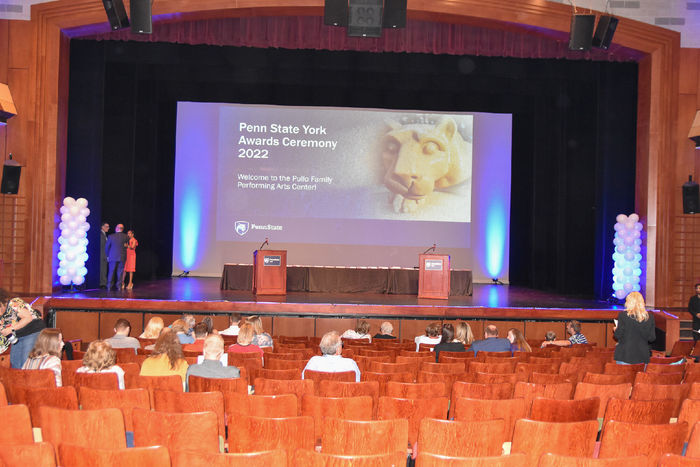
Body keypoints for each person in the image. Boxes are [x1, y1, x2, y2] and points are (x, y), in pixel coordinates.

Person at [0, 290, 46, 368]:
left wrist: (10, 329)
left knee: (25, 361)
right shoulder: (2, 317)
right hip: (18, 335)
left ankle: (27, 379)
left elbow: (28, 318)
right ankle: (19, 379)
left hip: (33, 331)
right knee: (15, 362)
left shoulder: (13, 303)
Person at [614, 291, 656, 364]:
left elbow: (618, 335)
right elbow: (651, 338)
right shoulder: (650, 317)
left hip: (625, 355)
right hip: (643, 356)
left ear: (628, 302)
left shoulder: (623, 315)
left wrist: (616, 329)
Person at [105, 223, 128, 290]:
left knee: (111, 271)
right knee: (120, 272)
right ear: (122, 229)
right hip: (122, 257)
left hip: (112, 256)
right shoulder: (126, 237)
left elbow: (107, 247)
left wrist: (107, 255)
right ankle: (119, 286)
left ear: (116, 228)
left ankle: (109, 286)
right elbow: (127, 246)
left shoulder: (111, 236)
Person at [99, 222, 109, 288]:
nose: (108, 228)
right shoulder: (100, 234)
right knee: (102, 269)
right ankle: (102, 283)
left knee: (104, 269)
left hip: (104, 255)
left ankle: (103, 283)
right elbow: (103, 246)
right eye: (106, 226)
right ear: (102, 227)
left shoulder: (104, 234)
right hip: (102, 255)